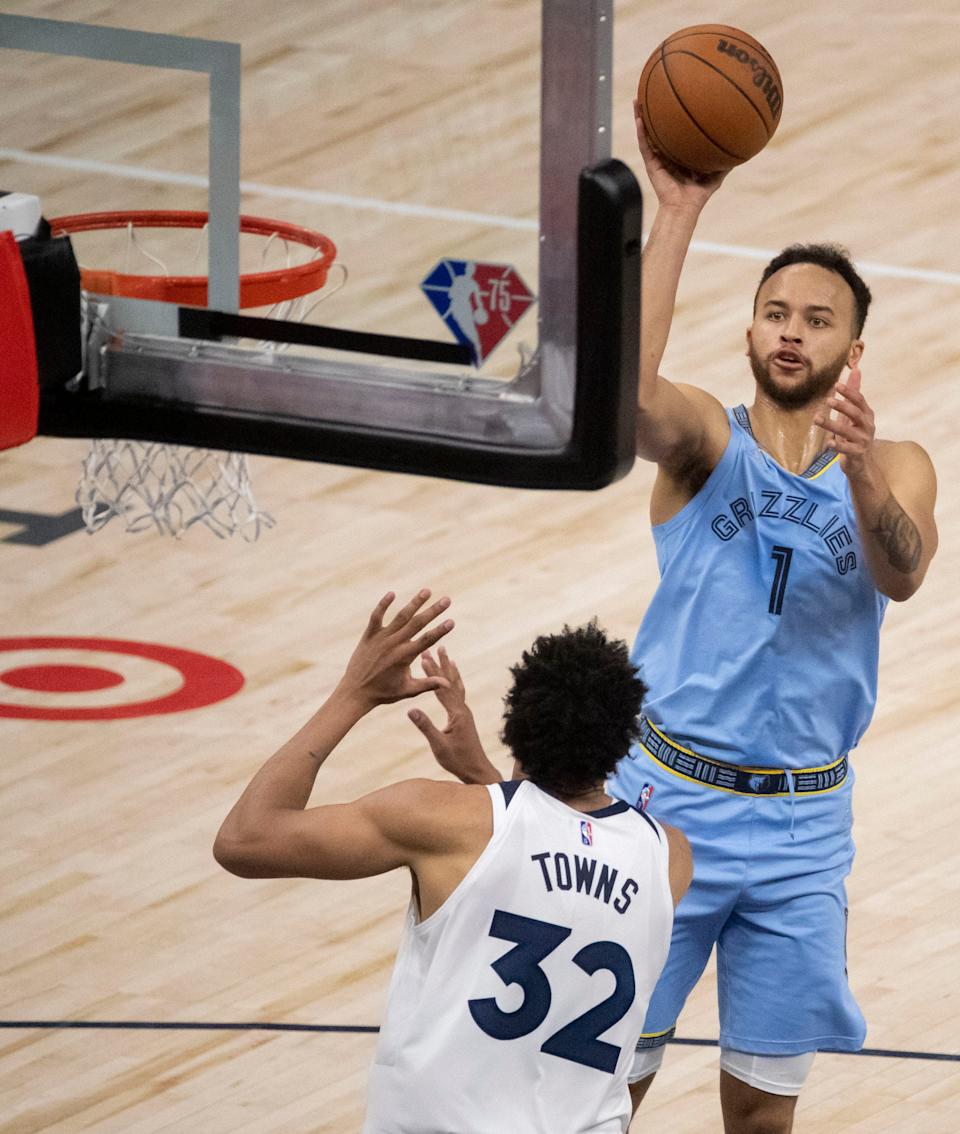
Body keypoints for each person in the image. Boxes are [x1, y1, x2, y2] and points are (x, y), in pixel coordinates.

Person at [416, 108, 939, 1134]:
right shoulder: (711, 442)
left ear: (855, 348)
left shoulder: (902, 462)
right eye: (775, 310)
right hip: (667, 810)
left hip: (803, 828)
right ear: (748, 330)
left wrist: (868, 466)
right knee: (608, 1089)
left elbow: (904, 570)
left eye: (817, 317)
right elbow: (628, 394)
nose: (791, 328)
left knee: (760, 1116)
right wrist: (680, 211)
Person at [213, 588, 692, 1134]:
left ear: (516, 721)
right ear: (625, 738)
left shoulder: (438, 819)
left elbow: (244, 840)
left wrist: (356, 692)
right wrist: (485, 777)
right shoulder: (668, 857)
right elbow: (555, 855)